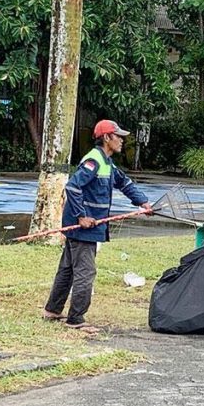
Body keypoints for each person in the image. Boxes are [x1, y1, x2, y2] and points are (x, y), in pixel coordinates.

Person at [42, 120, 152, 333]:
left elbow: (124, 183)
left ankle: (52, 310)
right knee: (85, 272)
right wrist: (81, 216)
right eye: (118, 136)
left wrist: (143, 202)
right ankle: (76, 319)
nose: (122, 140)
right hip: (84, 227)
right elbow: (73, 187)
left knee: (67, 269)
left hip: (86, 226)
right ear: (107, 138)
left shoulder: (107, 163)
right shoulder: (94, 161)